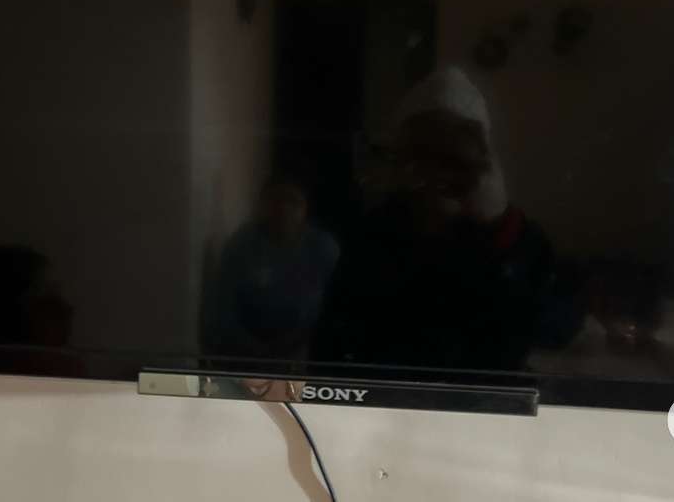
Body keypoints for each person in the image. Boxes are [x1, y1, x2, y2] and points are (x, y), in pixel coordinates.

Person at [313, 67, 584, 370]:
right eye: (422, 156)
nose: (437, 175)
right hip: (390, 397)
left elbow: (556, 329)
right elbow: (329, 348)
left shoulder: (515, 238)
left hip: (486, 398)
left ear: (482, 167)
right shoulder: (371, 237)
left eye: (453, 161)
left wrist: (501, 226)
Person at [211, 176, 340, 360]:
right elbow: (224, 308)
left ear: (305, 208)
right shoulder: (242, 244)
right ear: (263, 204)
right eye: (276, 199)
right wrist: (253, 349)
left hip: (309, 349)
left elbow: (334, 307)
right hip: (247, 352)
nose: (284, 208)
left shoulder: (323, 248)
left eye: (293, 201)